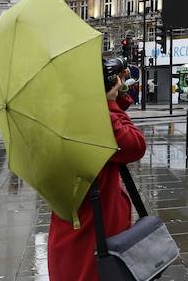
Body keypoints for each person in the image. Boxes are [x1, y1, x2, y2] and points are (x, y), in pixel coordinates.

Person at [47, 57, 146, 281]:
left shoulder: (61, 118)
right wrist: (110, 104)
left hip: (72, 238)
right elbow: (134, 146)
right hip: (93, 243)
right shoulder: (90, 123)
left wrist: (113, 100)